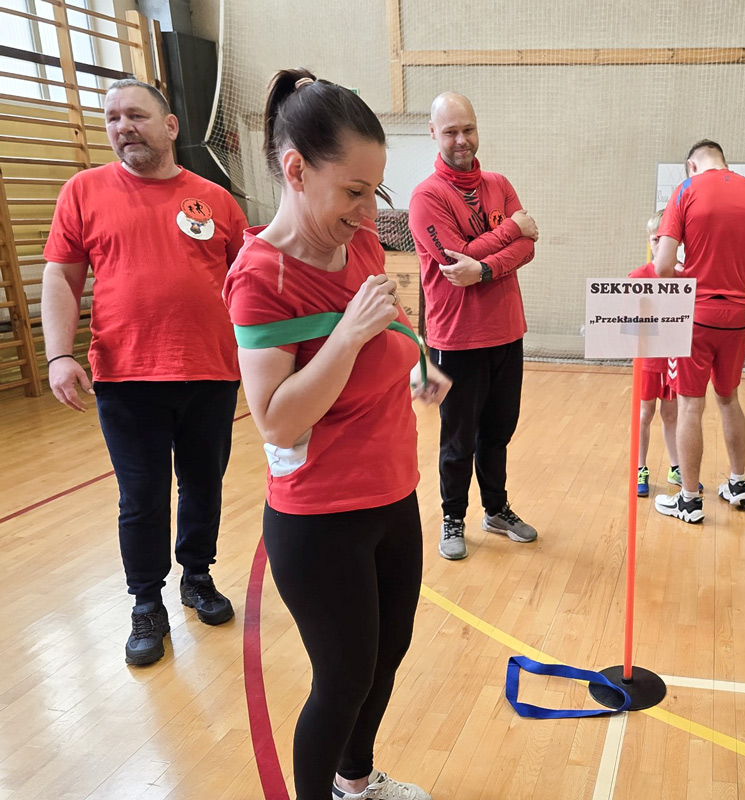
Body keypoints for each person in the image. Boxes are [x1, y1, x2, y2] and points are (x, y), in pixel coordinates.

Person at [224, 69, 450, 800]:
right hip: (320, 519)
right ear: (295, 170)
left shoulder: (359, 241)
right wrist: (349, 337)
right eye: (353, 191)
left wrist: (417, 363)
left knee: (387, 656)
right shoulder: (261, 277)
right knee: (343, 678)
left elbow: (385, 318)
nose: (367, 211)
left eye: (374, 191)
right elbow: (278, 417)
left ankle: (357, 782)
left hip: (393, 493)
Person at [42, 78, 246, 666]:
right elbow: (61, 276)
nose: (122, 126)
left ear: (170, 126)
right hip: (126, 376)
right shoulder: (83, 191)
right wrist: (59, 354)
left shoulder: (215, 199)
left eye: (135, 114)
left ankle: (197, 576)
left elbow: (249, 281)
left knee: (204, 484)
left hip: (211, 371)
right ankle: (146, 602)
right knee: (142, 497)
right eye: (112, 118)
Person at [408, 91, 539, 561]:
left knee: (498, 431)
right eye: (451, 132)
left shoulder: (499, 184)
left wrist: (483, 269)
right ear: (433, 133)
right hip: (457, 339)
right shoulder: (426, 197)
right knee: (458, 438)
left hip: (507, 331)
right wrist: (512, 230)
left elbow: (528, 249)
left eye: (468, 129)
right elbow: (453, 259)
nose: (461, 140)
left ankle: (496, 510)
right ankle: (453, 517)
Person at [650, 140, 745, 524]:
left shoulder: (686, 190)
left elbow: (662, 267)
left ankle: (689, 501)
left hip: (697, 315)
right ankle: (738, 483)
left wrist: (694, 280)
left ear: (692, 165)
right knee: (729, 398)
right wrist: (733, 279)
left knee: (691, 405)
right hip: (738, 315)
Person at [628, 209, 699, 497]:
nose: (659, 244)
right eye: (655, 239)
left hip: (673, 360)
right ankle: (640, 468)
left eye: (665, 239)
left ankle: (675, 467)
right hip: (647, 361)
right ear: (649, 241)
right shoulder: (637, 276)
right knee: (644, 413)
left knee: (671, 415)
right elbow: (627, 323)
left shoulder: (685, 277)